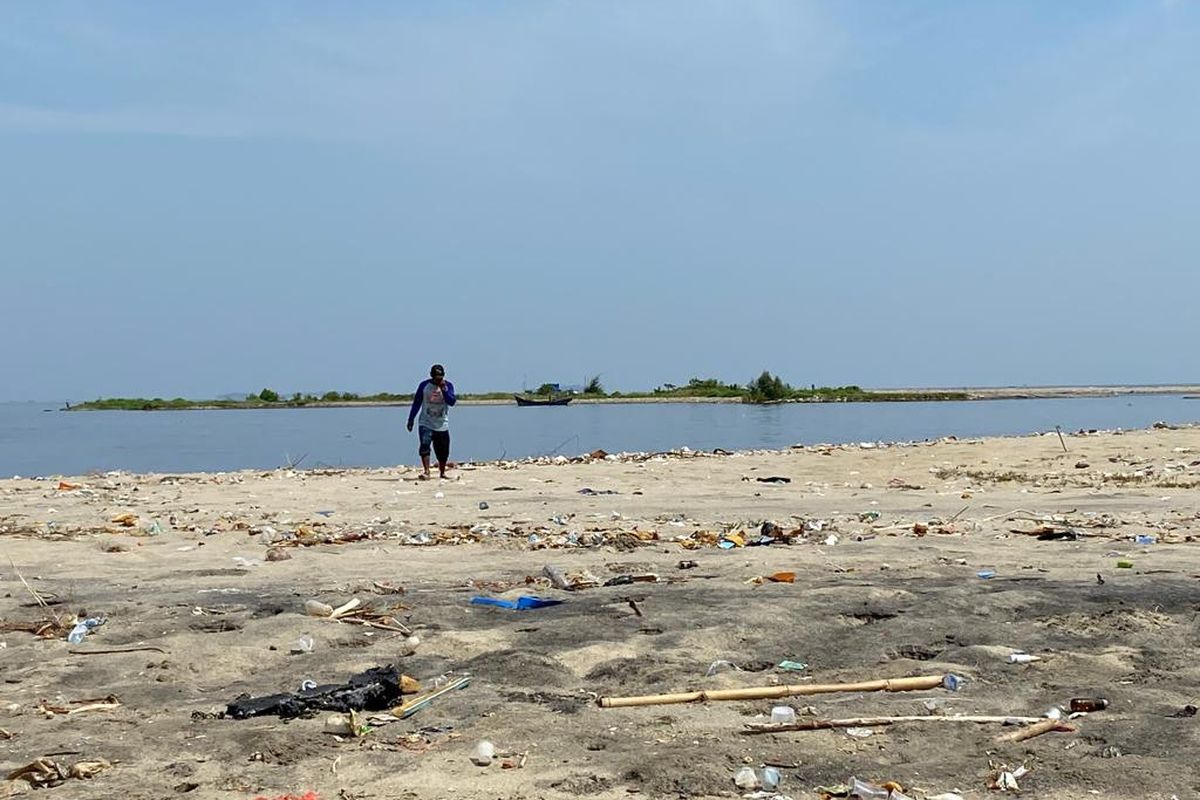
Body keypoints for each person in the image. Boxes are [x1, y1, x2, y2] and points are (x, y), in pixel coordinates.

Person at [407, 364, 456, 479]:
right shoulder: (424, 386)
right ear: (431, 376)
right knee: (425, 445)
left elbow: (452, 402)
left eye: (440, 377)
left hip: (442, 423)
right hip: (426, 422)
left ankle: (442, 472)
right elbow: (417, 403)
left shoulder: (448, 386)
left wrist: (444, 389)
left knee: (443, 450)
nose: (438, 379)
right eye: (436, 377)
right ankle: (427, 471)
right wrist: (411, 419)